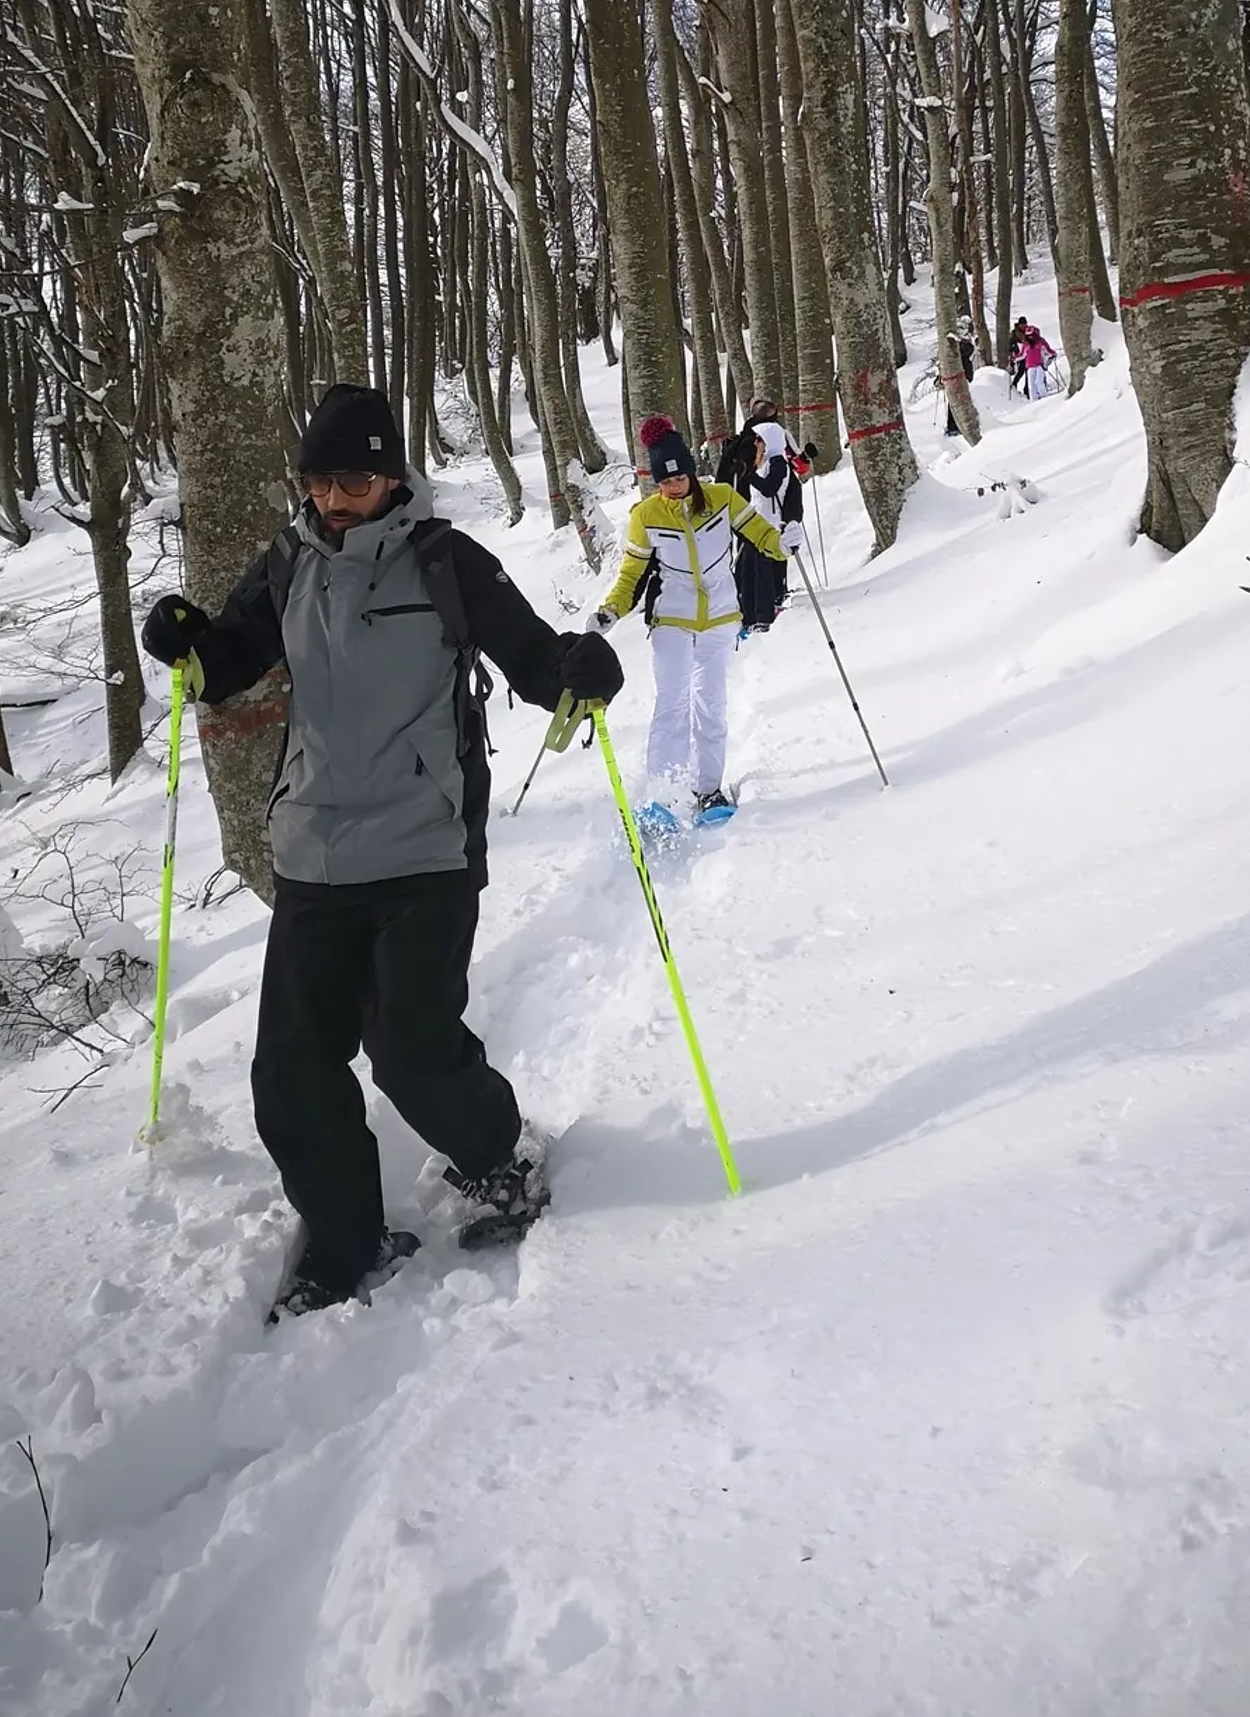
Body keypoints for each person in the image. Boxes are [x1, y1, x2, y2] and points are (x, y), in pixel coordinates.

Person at [140, 383, 622, 1317]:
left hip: (424, 846)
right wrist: (185, 638)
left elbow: (532, 657)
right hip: (314, 847)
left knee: (411, 1050)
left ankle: (495, 1158)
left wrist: (579, 669)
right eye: (319, 481)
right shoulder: (287, 561)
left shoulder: (446, 561)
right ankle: (348, 1241)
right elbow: (228, 660)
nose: (333, 499)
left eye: (353, 479)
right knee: (290, 1072)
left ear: (391, 475)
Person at [594, 415, 786, 828]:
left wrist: (781, 543)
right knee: (671, 707)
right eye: (664, 483)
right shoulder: (646, 516)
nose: (673, 488)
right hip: (673, 620)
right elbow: (632, 573)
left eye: (678, 478)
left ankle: (708, 790)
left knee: (711, 706)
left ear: (690, 473)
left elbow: (758, 531)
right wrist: (611, 609)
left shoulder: (721, 499)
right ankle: (662, 797)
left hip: (720, 619)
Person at [718, 394, 809, 631]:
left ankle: (763, 611)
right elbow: (799, 466)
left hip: (765, 520)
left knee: (761, 567)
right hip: (754, 517)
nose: (756, 443)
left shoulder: (773, 447)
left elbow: (772, 486)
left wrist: (747, 475)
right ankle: (751, 612)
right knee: (750, 567)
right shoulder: (766, 442)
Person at [941, 332, 977, 438]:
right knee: (958, 404)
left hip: (959, 380)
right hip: (962, 379)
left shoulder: (959, 354)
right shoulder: (964, 354)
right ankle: (956, 427)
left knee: (954, 403)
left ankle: (953, 428)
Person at [1021, 322, 1057, 401]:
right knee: (1031, 385)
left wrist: (1053, 354)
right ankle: (1034, 400)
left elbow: (1048, 350)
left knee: (1039, 382)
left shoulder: (1041, 342)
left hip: (1039, 365)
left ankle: (1045, 398)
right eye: (1028, 336)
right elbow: (1022, 355)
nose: (1030, 337)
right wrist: (1013, 359)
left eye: (1032, 335)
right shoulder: (1026, 345)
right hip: (1030, 367)